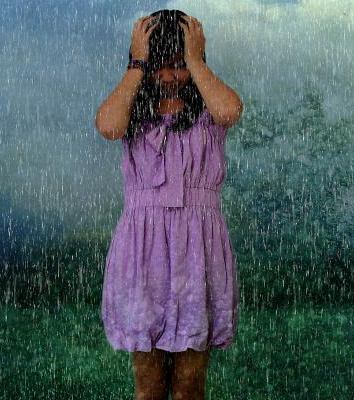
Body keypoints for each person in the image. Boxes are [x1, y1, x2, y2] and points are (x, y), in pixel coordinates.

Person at [95, 9, 243, 400]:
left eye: (178, 66)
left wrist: (195, 60)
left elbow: (230, 110)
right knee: (148, 386)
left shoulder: (211, 112)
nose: (170, 76)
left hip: (198, 245)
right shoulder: (133, 113)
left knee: (190, 385)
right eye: (160, 66)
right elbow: (108, 127)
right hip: (143, 249)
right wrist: (136, 63)